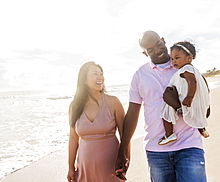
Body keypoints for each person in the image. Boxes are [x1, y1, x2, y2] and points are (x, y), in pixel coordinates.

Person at [115, 31, 208, 182]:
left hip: (189, 145)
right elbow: (132, 114)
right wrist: (122, 151)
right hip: (156, 150)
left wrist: (178, 105)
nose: (157, 51)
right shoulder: (140, 75)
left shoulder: (183, 66)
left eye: (159, 45)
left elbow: (203, 96)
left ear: (164, 41)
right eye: (150, 50)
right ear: (144, 52)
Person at [67, 61, 128, 182]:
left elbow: (125, 136)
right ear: (84, 80)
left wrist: (126, 160)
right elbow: (73, 138)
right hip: (85, 166)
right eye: (95, 74)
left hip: (111, 164)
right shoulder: (75, 106)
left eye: (101, 74)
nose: (100, 77)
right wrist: (70, 167)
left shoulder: (113, 102)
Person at [158, 41, 210, 145]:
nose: (173, 62)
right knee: (195, 114)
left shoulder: (186, 69)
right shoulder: (195, 71)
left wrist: (189, 97)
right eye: (172, 59)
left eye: (177, 58)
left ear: (189, 58)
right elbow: (205, 85)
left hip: (187, 100)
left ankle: (169, 134)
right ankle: (201, 128)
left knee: (165, 109)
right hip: (195, 102)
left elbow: (192, 81)